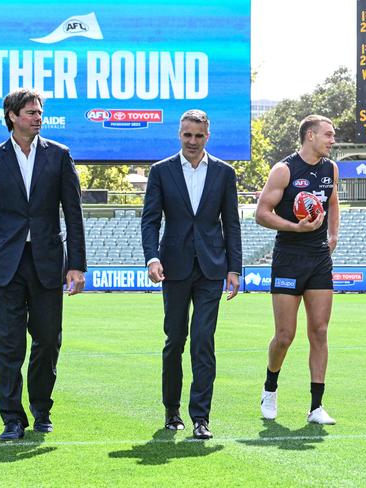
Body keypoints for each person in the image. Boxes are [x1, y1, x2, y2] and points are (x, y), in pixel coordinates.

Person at [0, 88, 86, 440]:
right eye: (31, 112)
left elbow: (73, 213)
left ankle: (41, 408)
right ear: (12, 116)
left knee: (48, 340)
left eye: (40, 112)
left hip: (48, 262)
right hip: (6, 264)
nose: (38, 117)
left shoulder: (59, 155)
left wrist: (77, 265)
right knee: (7, 345)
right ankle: (11, 418)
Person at [141, 109, 242, 440]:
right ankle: (172, 410)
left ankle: (201, 417)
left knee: (203, 341)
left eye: (199, 136)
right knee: (175, 340)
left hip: (212, 267)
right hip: (174, 267)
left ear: (207, 137)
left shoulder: (225, 173)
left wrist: (234, 268)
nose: (193, 141)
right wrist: (152, 258)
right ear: (179, 134)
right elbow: (150, 220)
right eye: (187, 135)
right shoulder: (161, 171)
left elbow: (232, 222)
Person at [255, 114, 340, 424]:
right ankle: (270, 388)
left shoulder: (331, 168)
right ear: (309, 136)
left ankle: (316, 406)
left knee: (319, 331)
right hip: (289, 256)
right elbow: (262, 214)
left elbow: (332, 201)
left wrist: (333, 235)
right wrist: (296, 227)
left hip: (318, 258)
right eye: (328, 135)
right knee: (285, 335)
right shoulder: (284, 170)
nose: (333, 140)